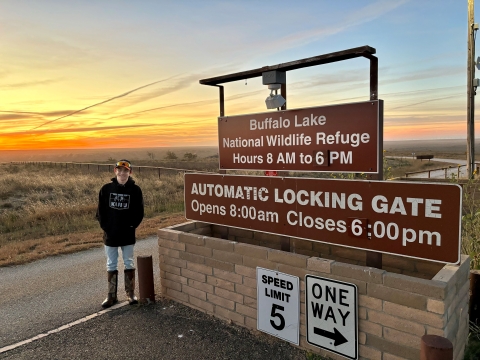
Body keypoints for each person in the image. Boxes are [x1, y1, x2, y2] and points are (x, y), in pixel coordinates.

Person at [96, 159, 144, 308]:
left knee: (128, 261)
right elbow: (100, 212)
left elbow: (139, 213)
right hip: (110, 234)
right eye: (120, 170)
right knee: (111, 263)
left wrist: (131, 226)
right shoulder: (106, 189)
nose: (122, 173)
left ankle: (130, 294)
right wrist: (107, 227)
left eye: (125, 170)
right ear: (115, 171)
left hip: (127, 234)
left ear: (130, 172)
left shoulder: (135, 191)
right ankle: (111, 296)